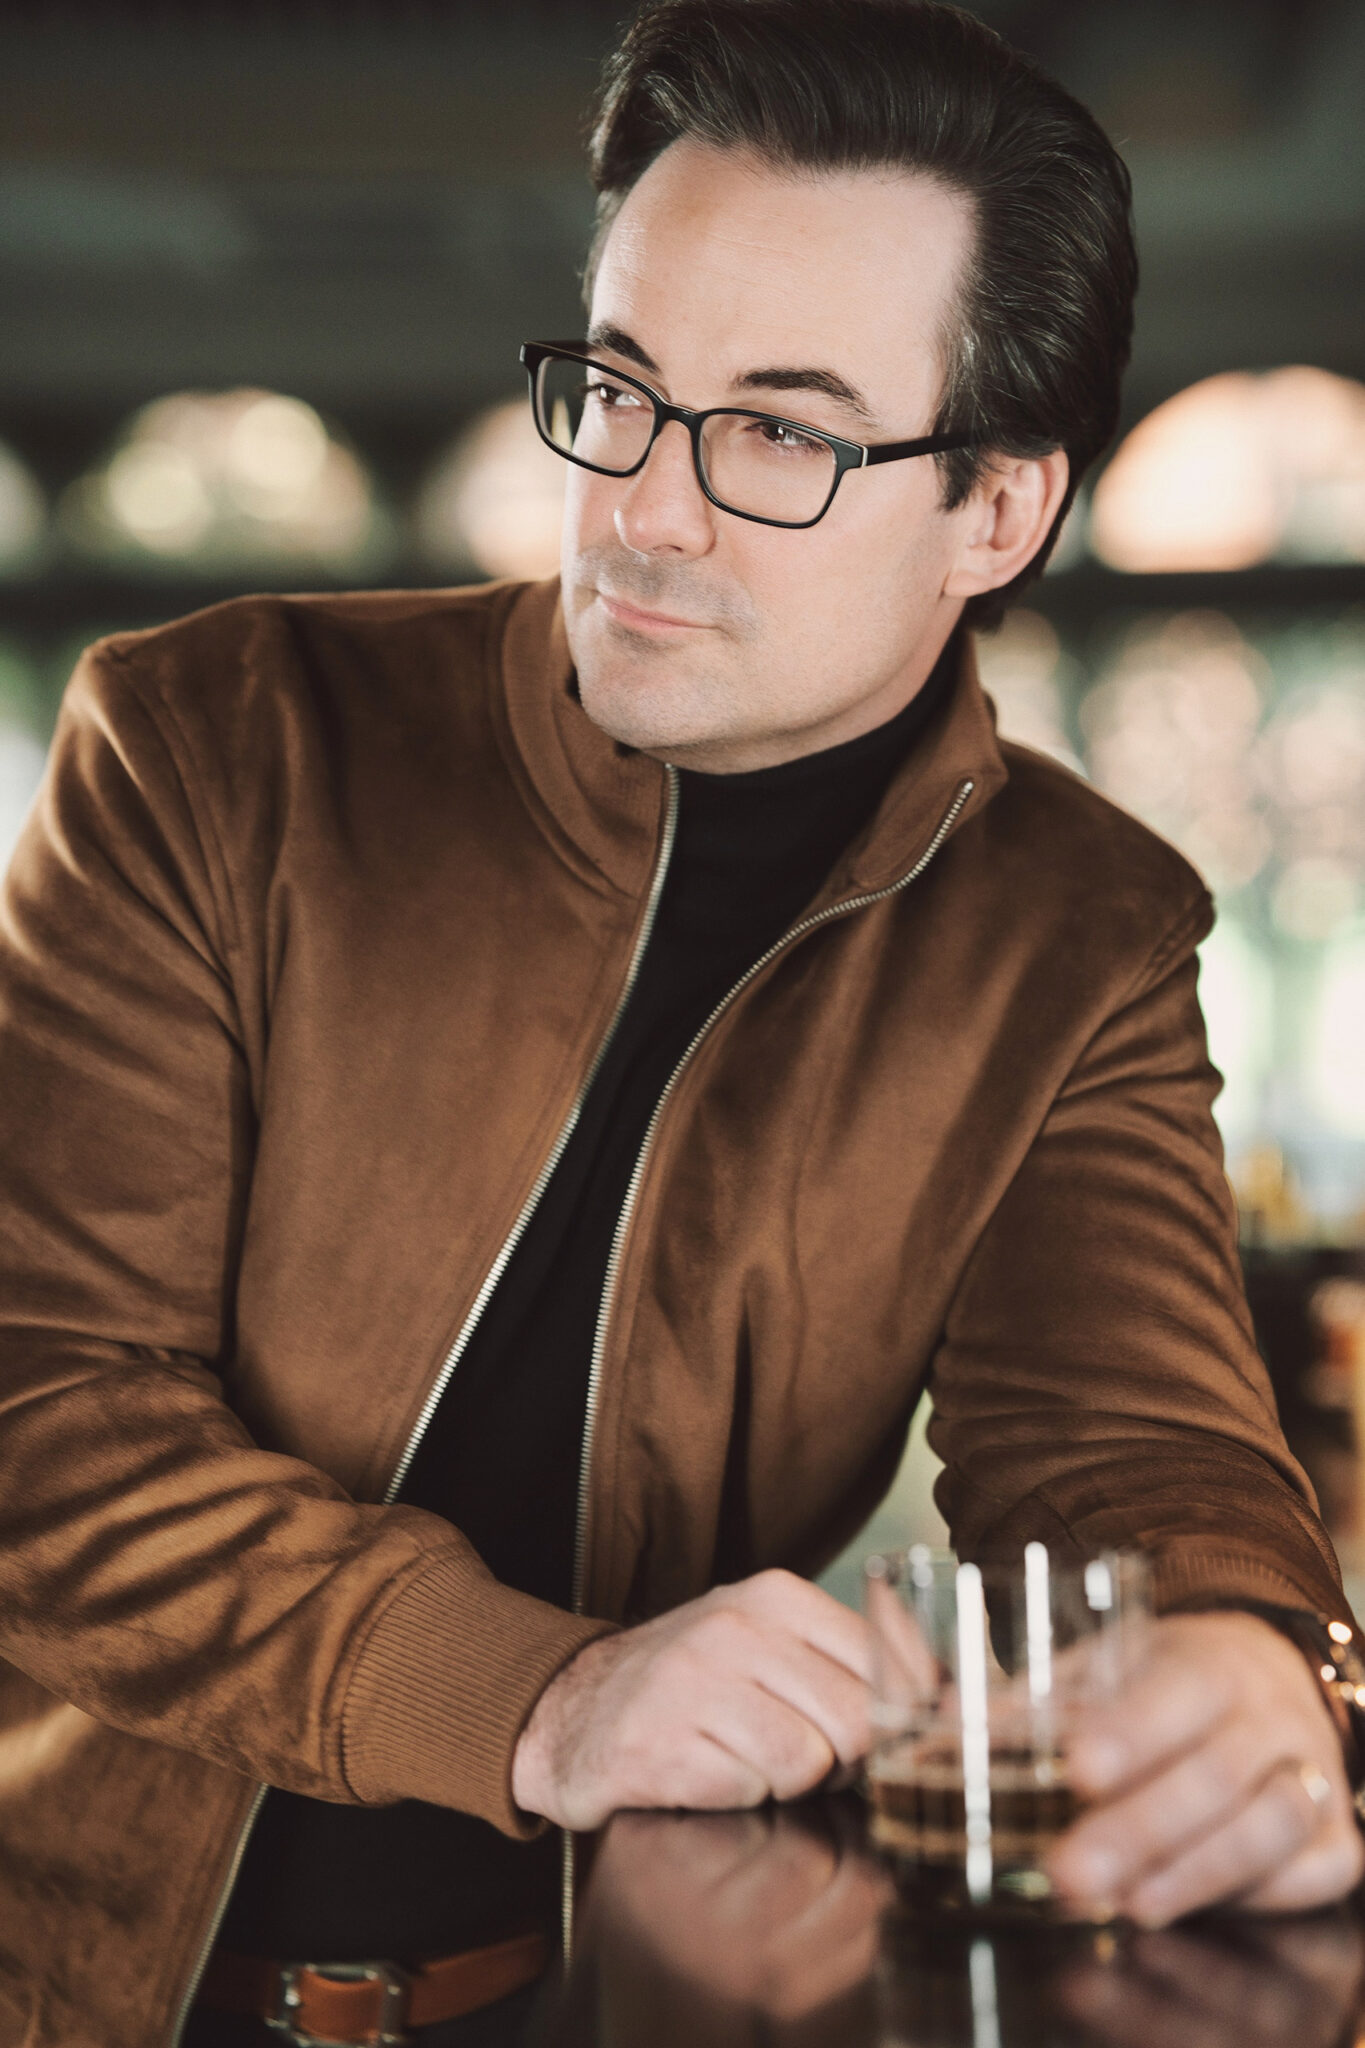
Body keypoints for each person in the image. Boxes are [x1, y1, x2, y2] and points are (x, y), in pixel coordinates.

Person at [0, 3, 1361, 2044]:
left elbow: (1130, 1459)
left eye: (780, 434)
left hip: (631, 1999)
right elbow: (40, 1410)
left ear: (991, 514)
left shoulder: (1073, 935)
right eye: (620, 391)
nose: (641, 507)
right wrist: (538, 1693)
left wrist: (1255, 1651)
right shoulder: (215, 745)